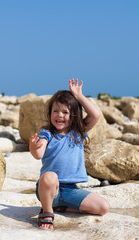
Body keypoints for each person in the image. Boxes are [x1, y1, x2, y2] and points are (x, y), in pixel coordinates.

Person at [29, 78, 110, 230]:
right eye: (56, 111)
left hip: (72, 190)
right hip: (49, 190)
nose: (60, 115)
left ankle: (62, 208)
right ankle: (47, 212)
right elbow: (39, 154)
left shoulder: (78, 133)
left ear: (74, 115)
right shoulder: (47, 133)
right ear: (50, 113)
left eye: (65, 112)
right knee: (49, 176)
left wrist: (79, 96)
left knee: (103, 207)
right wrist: (33, 147)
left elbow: (96, 115)